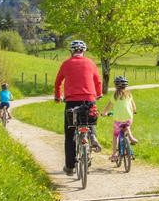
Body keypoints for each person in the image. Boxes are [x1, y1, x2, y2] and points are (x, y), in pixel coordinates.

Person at [54, 39, 103, 176]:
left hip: (71, 102)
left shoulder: (66, 64)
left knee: (70, 134)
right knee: (89, 120)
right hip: (89, 99)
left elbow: (58, 82)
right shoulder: (91, 63)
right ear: (84, 51)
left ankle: (70, 167)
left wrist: (58, 97)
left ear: (71, 51)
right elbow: (98, 81)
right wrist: (98, 95)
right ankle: (92, 136)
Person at [102, 76, 138, 162]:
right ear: (126, 86)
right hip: (129, 117)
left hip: (118, 120)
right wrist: (134, 111)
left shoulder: (114, 96)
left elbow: (108, 107)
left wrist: (104, 113)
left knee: (115, 135)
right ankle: (131, 137)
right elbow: (134, 106)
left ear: (115, 86)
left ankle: (114, 154)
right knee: (127, 125)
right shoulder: (129, 94)